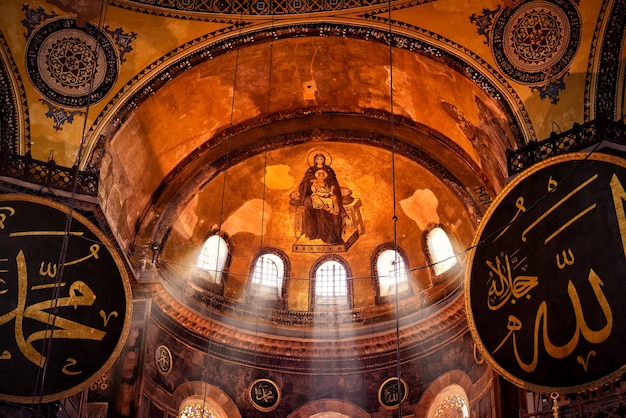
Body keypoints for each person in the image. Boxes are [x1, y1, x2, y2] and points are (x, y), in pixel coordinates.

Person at [297, 152, 345, 244]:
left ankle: (330, 234)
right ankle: (313, 232)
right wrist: (311, 182)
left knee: (332, 203)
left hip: (326, 194)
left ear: (324, 160)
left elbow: (334, 184)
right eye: (318, 159)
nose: (319, 160)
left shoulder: (329, 170)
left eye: (321, 158)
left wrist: (331, 190)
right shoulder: (310, 171)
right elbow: (304, 184)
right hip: (315, 195)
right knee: (309, 202)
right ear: (315, 160)